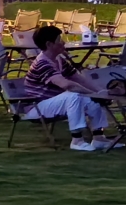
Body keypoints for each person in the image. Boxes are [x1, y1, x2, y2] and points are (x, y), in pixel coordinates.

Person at [20, 24, 119, 152]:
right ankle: (77, 140)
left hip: (54, 102)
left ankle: (99, 138)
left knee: (93, 99)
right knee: (74, 95)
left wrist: (99, 92)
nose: (63, 42)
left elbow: (78, 78)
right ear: (49, 44)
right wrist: (94, 93)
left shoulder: (59, 60)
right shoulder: (42, 63)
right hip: (37, 106)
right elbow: (67, 85)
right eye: (59, 40)